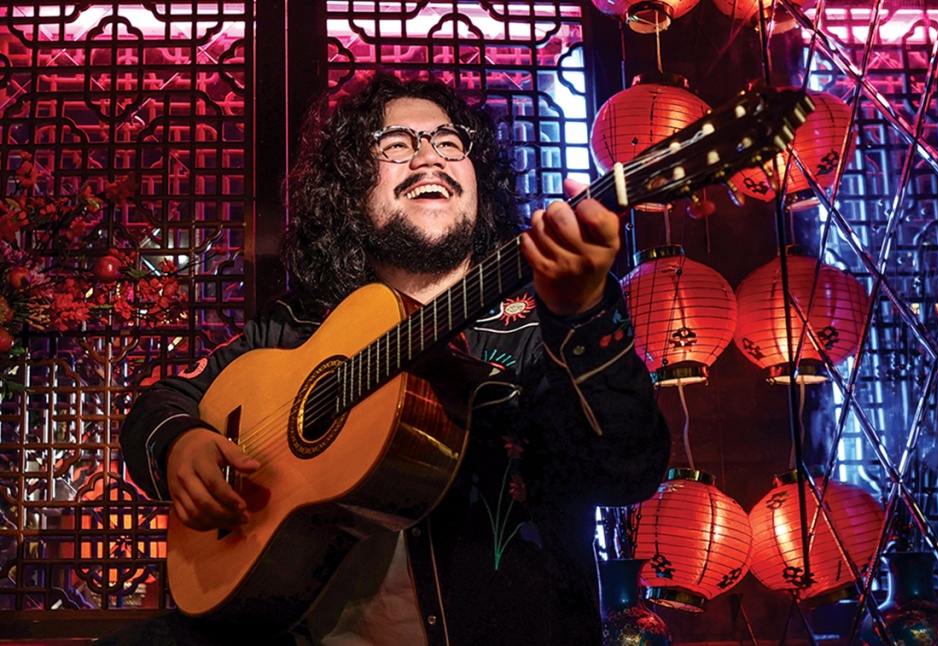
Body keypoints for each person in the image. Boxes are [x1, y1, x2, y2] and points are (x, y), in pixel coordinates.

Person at [114, 72, 670, 646]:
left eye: (449, 142)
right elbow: (163, 403)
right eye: (397, 144)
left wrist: (582, 314)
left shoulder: (537, 327)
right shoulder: (299, 328)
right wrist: (181, 443)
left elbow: (629, 470)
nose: (429, 158)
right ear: (349, 187)